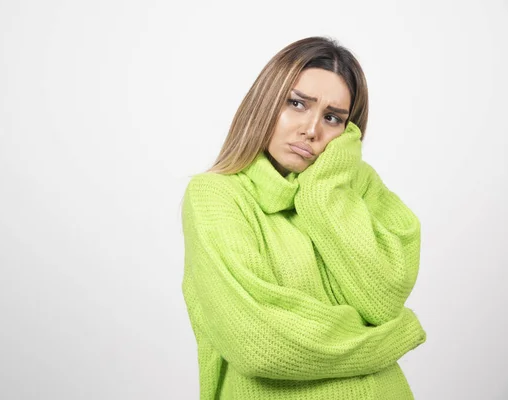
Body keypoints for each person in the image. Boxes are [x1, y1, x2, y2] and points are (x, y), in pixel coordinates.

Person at [180, 36, 426, 400]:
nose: (312, 130)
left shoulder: (356, 186)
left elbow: (382, 298)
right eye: (297, 104)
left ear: (349, 131)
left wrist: (321, 190)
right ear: (264, 104)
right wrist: (389, 338)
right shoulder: (216, 196)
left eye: (332, 118)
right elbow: (260, 344)